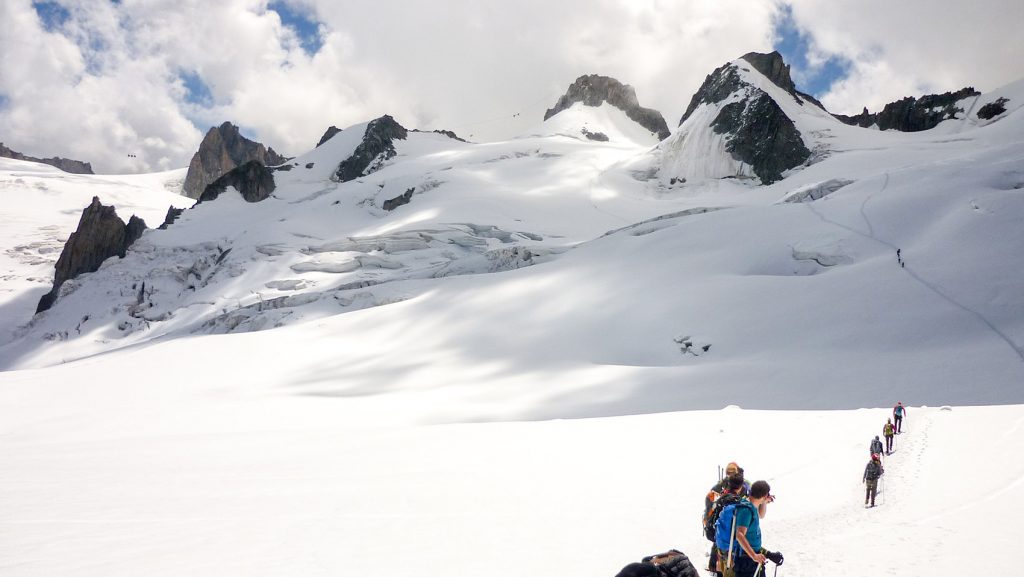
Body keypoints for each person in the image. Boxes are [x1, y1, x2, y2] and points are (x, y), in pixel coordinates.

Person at [718, 480, 774, 577]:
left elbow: (761, 515)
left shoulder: (751, 505)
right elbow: (739, 535)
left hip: (751, 558)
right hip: (746, 560)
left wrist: (764, 502)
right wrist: (754, 556)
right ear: (764, 495)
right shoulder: (746, 510)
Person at [707, 474, 746, 576]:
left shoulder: (722, 498)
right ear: (741, 487)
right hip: (730, 545)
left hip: (719, 541)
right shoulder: (737, 502)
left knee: (722, 567)